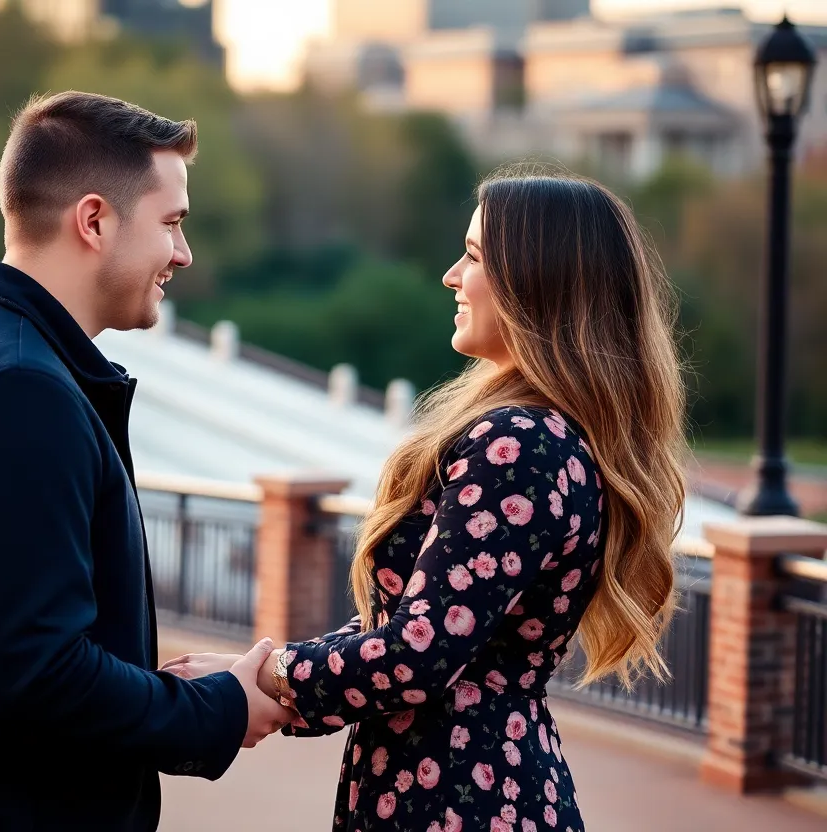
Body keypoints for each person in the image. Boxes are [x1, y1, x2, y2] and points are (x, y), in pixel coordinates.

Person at [0, 91, 292, 832]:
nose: (183, 253)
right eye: (171, 223)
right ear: (95, 220)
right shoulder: (13, 390)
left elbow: (15, 648)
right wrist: (215, 709)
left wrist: (155, 688)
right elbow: (32, 680)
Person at [163, 169, 688, 831]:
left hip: (462, 798)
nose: (450, 275)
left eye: (472, 257)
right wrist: (261, 673)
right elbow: (422, 626)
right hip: (457, 785)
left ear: (538, 281)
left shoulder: (519, 443)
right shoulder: (538, 433)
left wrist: (265, 681)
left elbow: (418, 654)